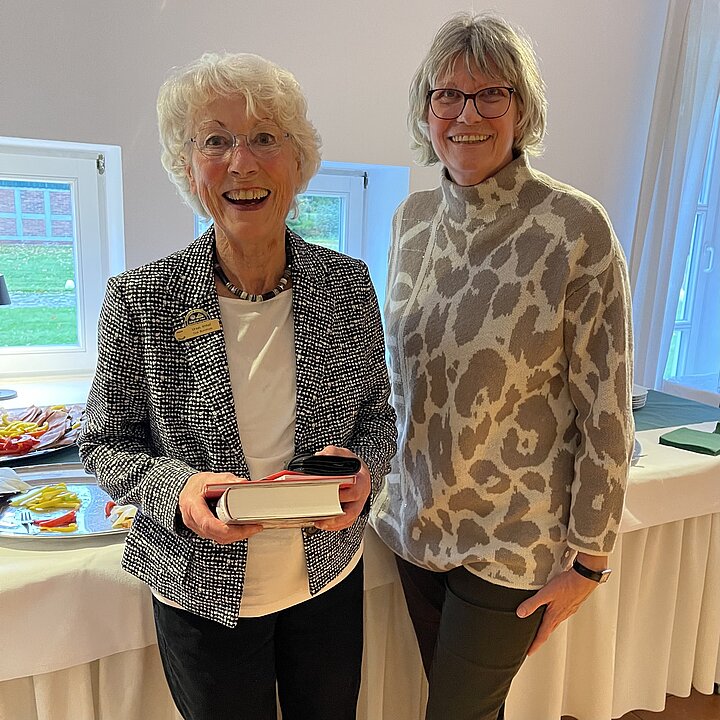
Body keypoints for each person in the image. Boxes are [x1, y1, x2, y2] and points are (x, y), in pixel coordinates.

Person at [78, 52, 396, 720]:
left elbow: (377, 416)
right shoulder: (141, 298)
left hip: (327, 575)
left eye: (264, 138)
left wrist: (364, 471)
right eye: (215, 141)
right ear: (188, 167)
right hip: (200, 590)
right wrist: (179, 488)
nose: (241, 163)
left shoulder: (347, 285)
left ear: (298, 161)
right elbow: (104, 443)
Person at [370, 13, 634, 720]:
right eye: (448, 95)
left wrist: (591, 562)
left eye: (492, 94)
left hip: (514, 539)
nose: (467, 114)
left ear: (522, 109)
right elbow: (399, 379)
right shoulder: (411, 220)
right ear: (426, 109)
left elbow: (606, 408)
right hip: (414, 528)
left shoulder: (575, 228)